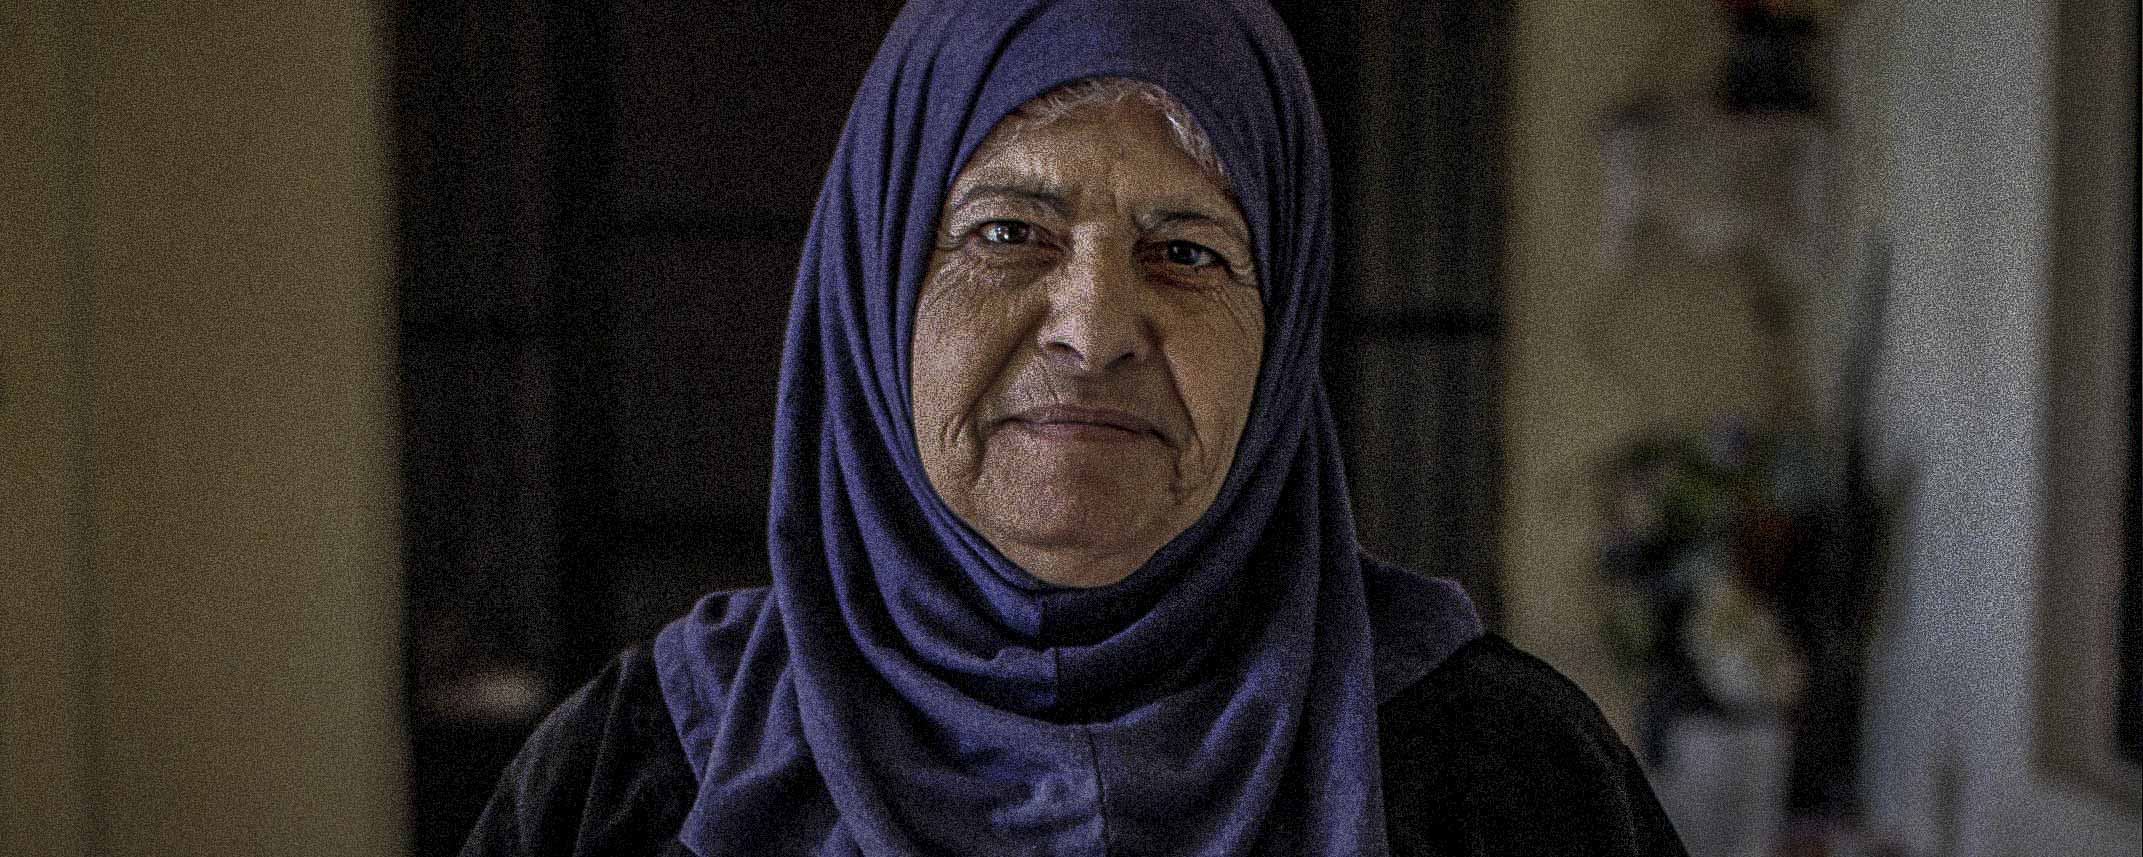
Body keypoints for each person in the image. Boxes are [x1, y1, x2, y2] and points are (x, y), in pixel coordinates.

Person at [461, 1, 1687, 855]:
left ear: (1282, 330)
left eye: (1187, 251)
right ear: (875, 289)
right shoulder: (639, 773)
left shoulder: (1503, 775)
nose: (1094, 329)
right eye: (1007, 234)